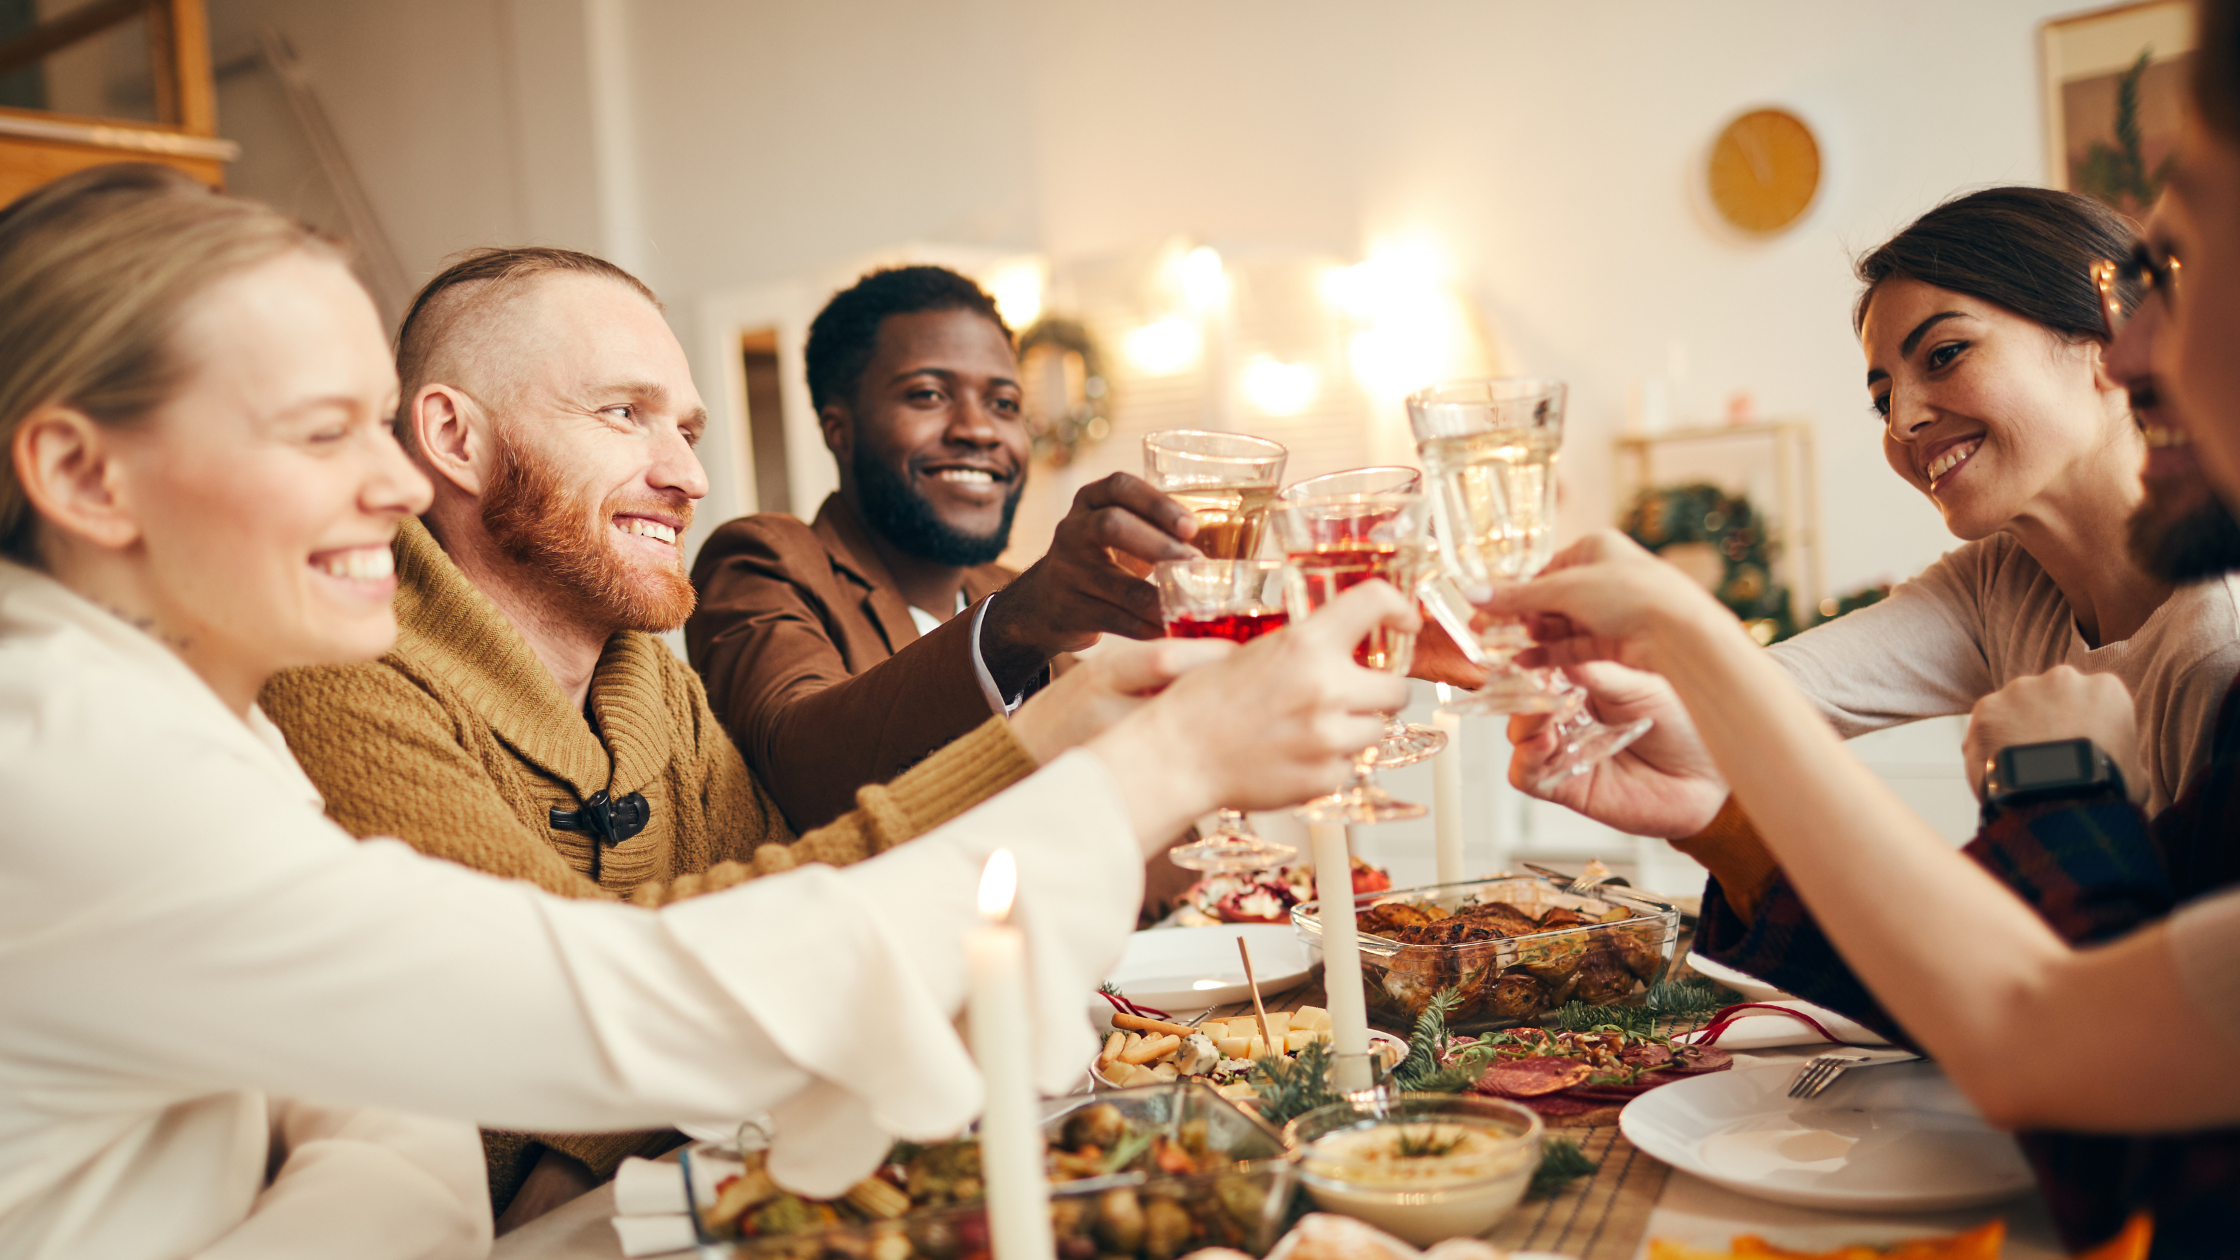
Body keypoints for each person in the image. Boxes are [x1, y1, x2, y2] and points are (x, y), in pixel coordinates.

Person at [0, 163, 1417, 1259]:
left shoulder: (193, 717)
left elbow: (410, 1097)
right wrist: (1149, 762)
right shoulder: (69, 757)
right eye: (323, 431)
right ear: (82, 476)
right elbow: (623, 1007)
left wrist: (403, 1155)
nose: (389, 484)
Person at [1482, 50, 2240, 1246]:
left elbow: (2110, 1089)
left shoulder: (2215, 642)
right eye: (1880, 392)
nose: (1901, 420)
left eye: (1942, 355)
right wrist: (1672, 761)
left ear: (2099, 341)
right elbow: (1762, 707)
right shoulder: (2000, 581)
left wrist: (2051, 782)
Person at [255, 247, 1063, 1224]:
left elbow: (785, 928)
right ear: (455, 438)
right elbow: (564, 1012)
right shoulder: (339, 678)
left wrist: (592, 1148)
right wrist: (1052, 743)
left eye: (686, 429)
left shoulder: (655, 686)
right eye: (621, 413)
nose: (688, 476)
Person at [686, 266, 1205, 833]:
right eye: (929, 395)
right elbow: (801, 774)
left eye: (1004, 403)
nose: (979, 430)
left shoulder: (1004, 586)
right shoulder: (762, 560)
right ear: (840, 429)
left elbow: (1135, 808)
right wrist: (1015, 628)